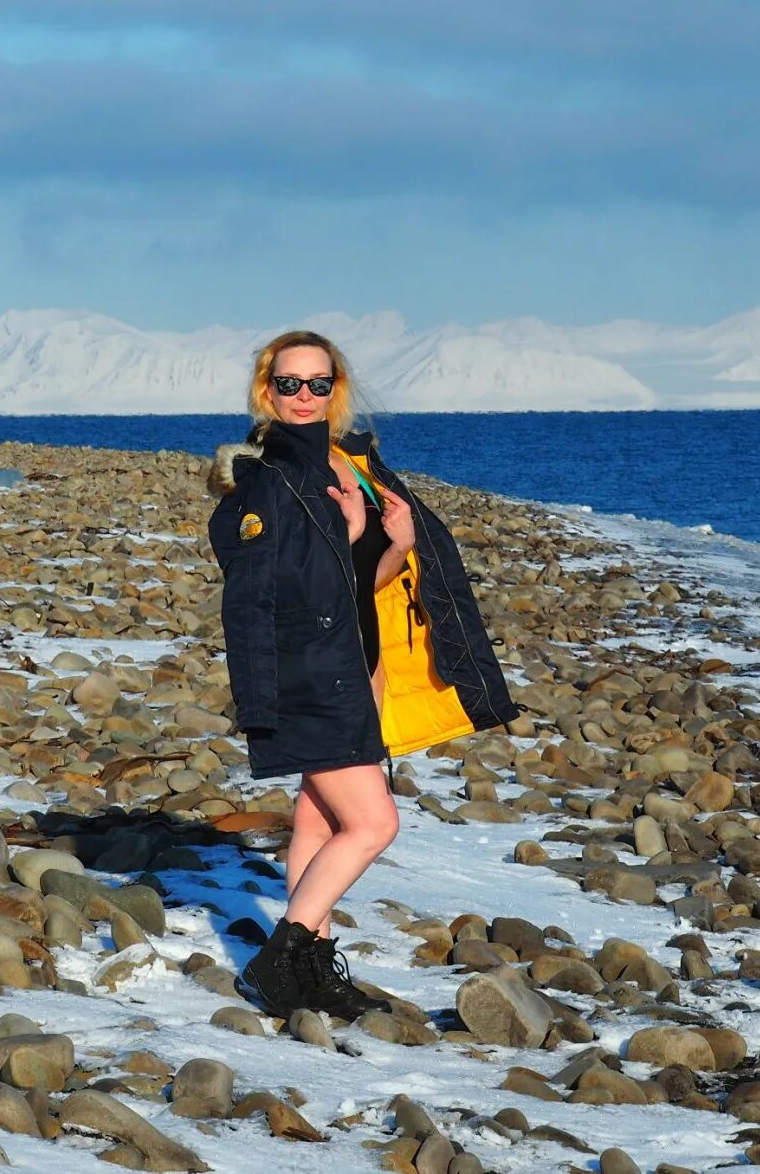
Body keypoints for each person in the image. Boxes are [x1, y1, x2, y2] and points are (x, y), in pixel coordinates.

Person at [205, 328, 521, 1017]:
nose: (304, 396)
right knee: (375, 824)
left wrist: (395, 545)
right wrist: (347, 538)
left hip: (359, 663)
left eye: (319, 383)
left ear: (336, 390)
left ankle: (311, 970)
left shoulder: (349, 465)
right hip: (311, 674)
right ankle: (281, 961)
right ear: (267, 390)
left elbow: (357, 588)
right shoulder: (269, 481)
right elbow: (265, 591)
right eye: (289, 383)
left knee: (319, 819)